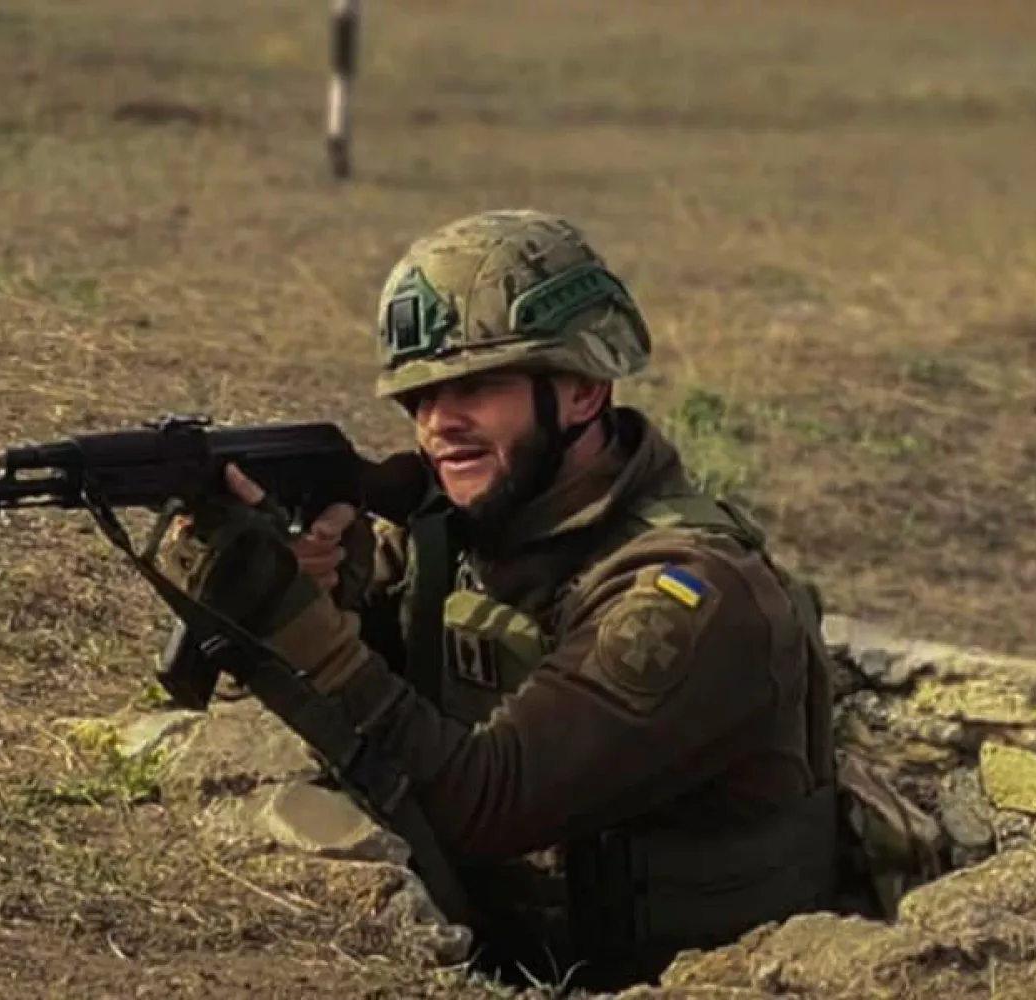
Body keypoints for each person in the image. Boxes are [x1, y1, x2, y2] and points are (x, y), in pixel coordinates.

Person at [165, 209, 846, 990]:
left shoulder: (691, 595)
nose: (437, 424)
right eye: (419, 396)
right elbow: (350, 652)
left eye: (476, 387)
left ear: (585, 390)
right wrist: (307, 576)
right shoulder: (461, 529)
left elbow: (486, 799)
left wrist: (305, 631)